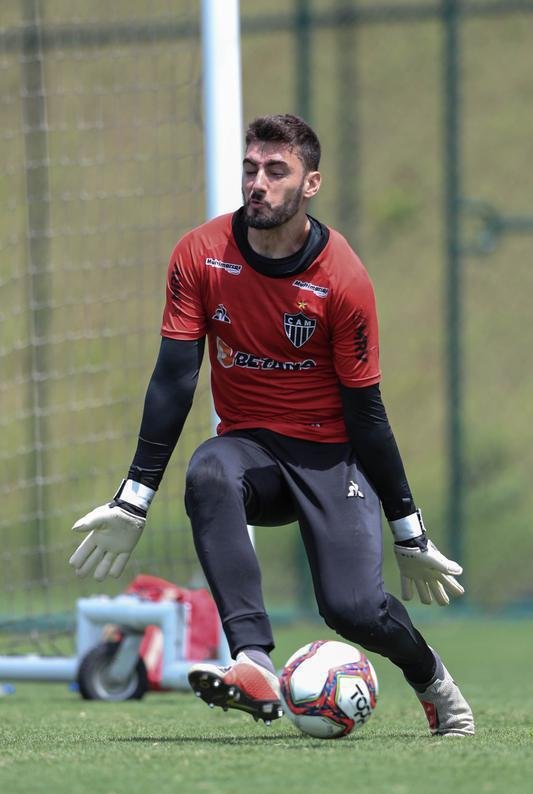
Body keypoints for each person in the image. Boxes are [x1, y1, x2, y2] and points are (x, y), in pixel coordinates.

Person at [70, 114, 474, 737]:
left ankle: (436, 684)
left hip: (331, 460)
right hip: (252, 455)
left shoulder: (342, 279)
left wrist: (410, 534)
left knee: (354, 610)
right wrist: (133, 501)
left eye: (275, 171)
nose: (257, 183)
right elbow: (174, 381)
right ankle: (253, 660)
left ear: (310, 184)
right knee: (210, 468)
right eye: (250, 168)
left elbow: (368, 415)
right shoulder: (200, 255)